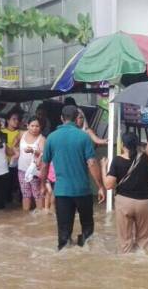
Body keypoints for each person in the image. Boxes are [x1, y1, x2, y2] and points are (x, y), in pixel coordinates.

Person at [39, 105, 105, 250]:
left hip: (62, 192)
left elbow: (44, 165)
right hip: (83, 191)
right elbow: (92, 163)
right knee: (87, 230)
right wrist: (100, 186)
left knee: (63, 232)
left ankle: (64, 258)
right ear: (77, 119)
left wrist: (43, 185)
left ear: (61, 119)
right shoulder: (83, 137)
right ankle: (86, 256)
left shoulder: (51, 137)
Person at [101, 133, 148, 253]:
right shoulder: (145, 158)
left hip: (124, 203)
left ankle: (127, 267)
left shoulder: (117, 160)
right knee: (144, 240)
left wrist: (103, 167)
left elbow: (108, 185)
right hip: (144, 203)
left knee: (125, 242)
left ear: (122, 145)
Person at [17, 116, 46, 211]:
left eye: (37, 126)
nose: (34, 128)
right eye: (32, 126)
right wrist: (16, 153)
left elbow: (43, 153)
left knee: (37, 194)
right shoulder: (22, 134)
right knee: (25, 194)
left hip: (35, 171)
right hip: (22, 169)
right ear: (27, 126)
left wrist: (32, 150)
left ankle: (41, 216)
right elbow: (14, 145)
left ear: (40, 127)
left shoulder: (41, 139)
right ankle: (25, 216)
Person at [3, 110, 22, 204]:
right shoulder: (3, 132)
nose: (16, 121)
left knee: (17, 185)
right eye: (13, 119)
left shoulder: (20, 132)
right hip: (5, 163)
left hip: (18, 163)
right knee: (7, 186)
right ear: (7, 120)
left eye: (17, 119)